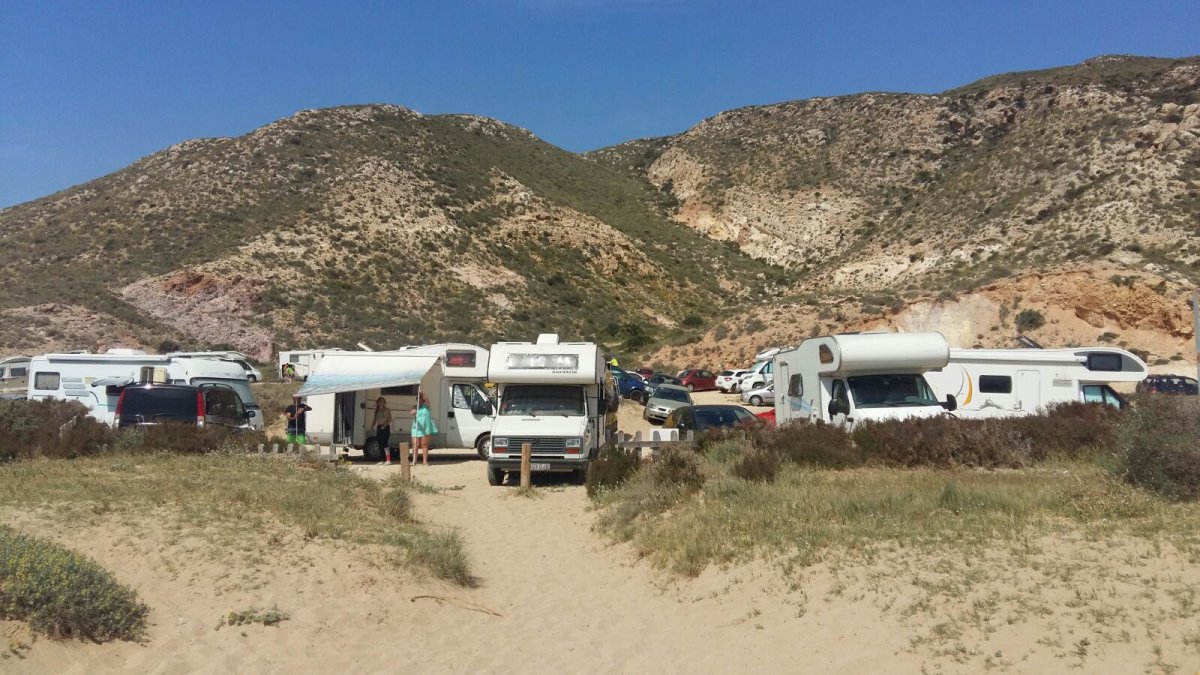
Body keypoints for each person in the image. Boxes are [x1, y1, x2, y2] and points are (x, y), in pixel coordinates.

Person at [409, 391, 438, 466]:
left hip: (425, 428)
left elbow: (427, 399)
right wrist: (413, 412)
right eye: (418, 399)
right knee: (415, 444)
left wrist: (421, 393)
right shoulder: (415, 406)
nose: (419, 400)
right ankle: (414, 461)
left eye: (421, 399)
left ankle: (425, 462)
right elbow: (411, 412)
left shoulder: (427, 406)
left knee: (424, 445)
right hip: (417, 427)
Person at [372, 397, 394, 465]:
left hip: (385, 427)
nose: (381, 403)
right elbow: (375, 419)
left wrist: (384, 425)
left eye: (382, 401)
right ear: (377, 403)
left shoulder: (387, 410)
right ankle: (382, 460)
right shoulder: (377, 411)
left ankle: (388, 460)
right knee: (380, 443)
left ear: (384, 403)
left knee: (385, 443)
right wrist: (372, 426)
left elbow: (390, 419)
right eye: (379, 402)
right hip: (379, 427)